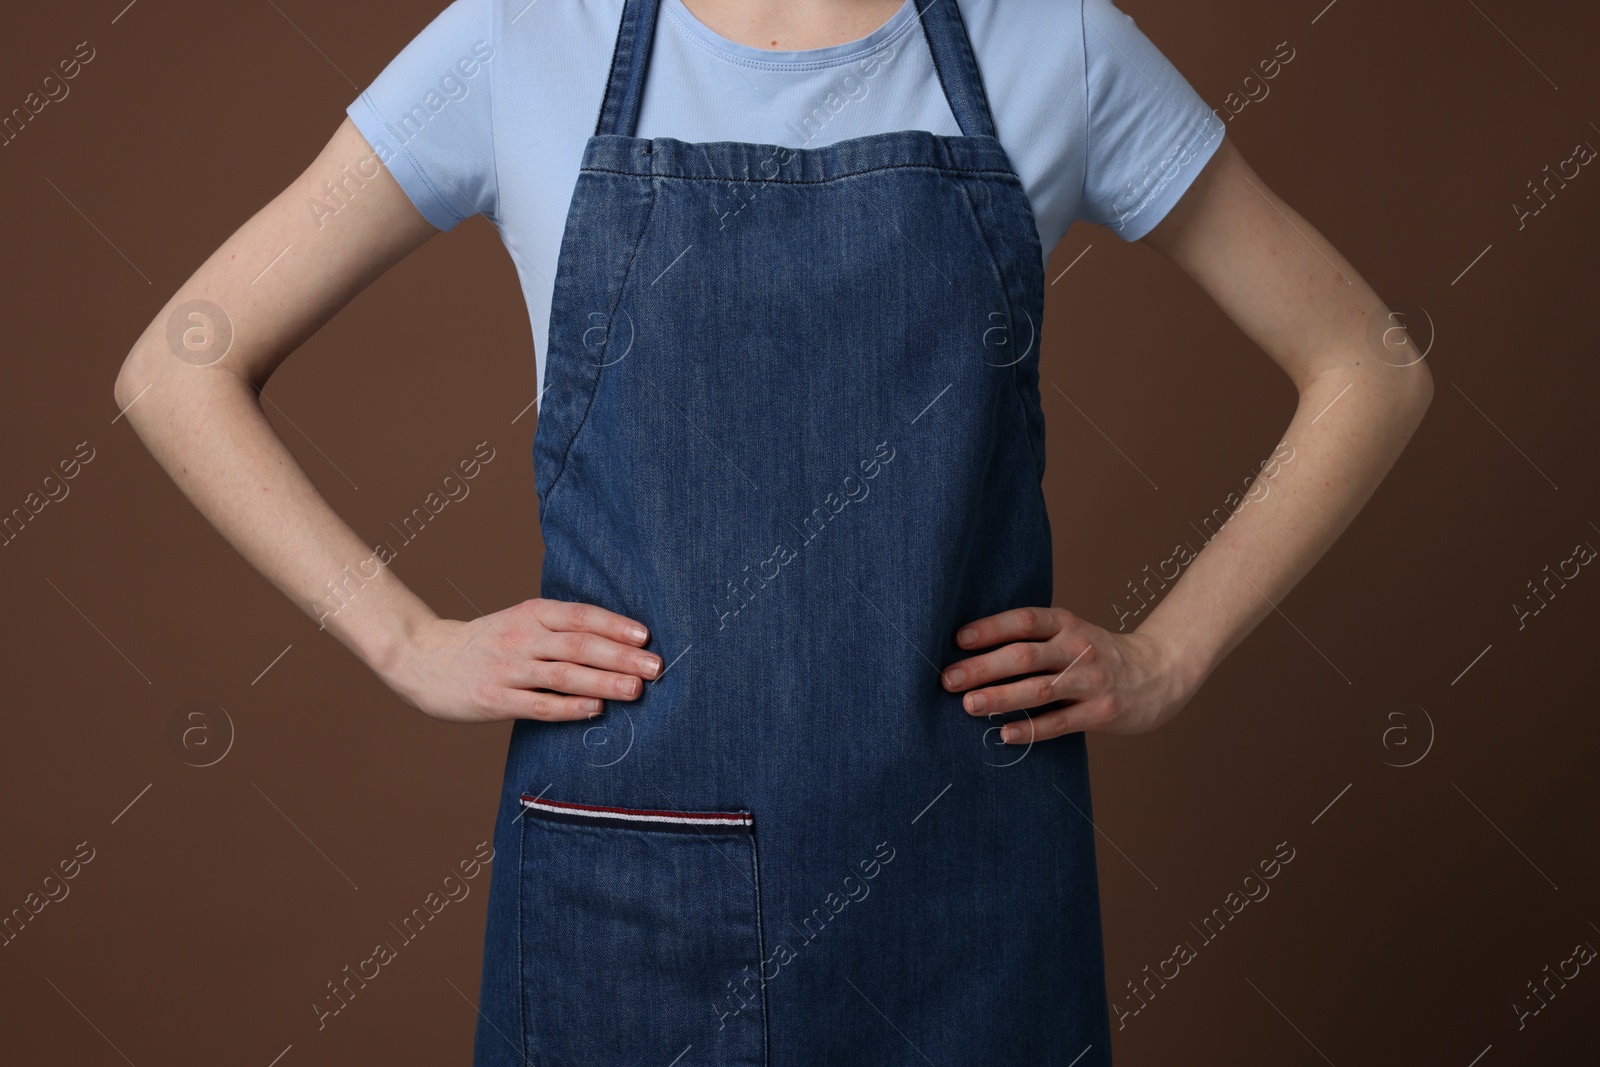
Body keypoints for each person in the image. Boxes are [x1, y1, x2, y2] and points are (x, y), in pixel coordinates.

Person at [113, 0, 1433, 1062]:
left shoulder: (1056, 41)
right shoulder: (519, 42)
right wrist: (403, 641)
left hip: (966, 891)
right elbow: (178, 367)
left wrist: (1173, 653)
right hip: (620, 906)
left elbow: (1372, 365)